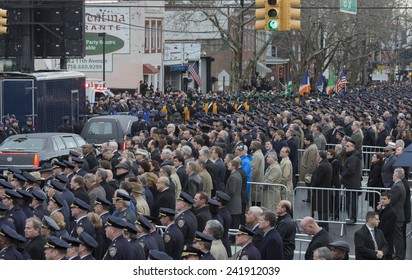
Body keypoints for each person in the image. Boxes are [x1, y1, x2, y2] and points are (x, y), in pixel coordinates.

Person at [341, 140, 362, 224]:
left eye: (348, 146)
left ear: (353, 147)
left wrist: (343, 175)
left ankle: (352, 218)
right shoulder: (351, 156)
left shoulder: (353, 157)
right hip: (351, 183)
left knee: (351, 202)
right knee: (350, 202)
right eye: (345, 146)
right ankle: (351, 217)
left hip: (352, 184)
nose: (346, 147)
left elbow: (351, 170)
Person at [310, 151, 332, 231]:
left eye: (317, 156)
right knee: (323, 209)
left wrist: (312, 186)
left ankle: (323, 225)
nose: (316, 158)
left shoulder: (322, 166)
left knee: (322, 209)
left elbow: (317, 179)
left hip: (321, 191)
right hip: (324, 191)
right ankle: (323, 224)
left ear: (320, 157)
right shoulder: (327, 164)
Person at [389, 168, 406, 260]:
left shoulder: (397, 186)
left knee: (398, 237)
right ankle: (398, 254)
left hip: (397, 215)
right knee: (397, 237)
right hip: (399, 214)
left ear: (397, 176)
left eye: (393, 174)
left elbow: (392, 200)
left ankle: (399, 256)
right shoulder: (400, 185)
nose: (392, 176)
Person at [376, 192, 396, 259]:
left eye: (384, 199)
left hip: (386, 241)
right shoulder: (382, 208)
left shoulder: (391, 212)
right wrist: (378, 210)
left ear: (389, 200)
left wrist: (378, 234)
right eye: (381, 199)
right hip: (382, 240)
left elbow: (388, 228)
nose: (382, 200)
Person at [299, 134, 318, 203]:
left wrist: (309, 172)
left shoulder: (312, 148)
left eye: (305, 139)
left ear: (309, 140)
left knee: (310, 185)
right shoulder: (310, 147)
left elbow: (311, 161)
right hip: (307, 170)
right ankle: (309, 198)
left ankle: (311, 198)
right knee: (308, 186)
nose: (304, 141)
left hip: (308, 171)